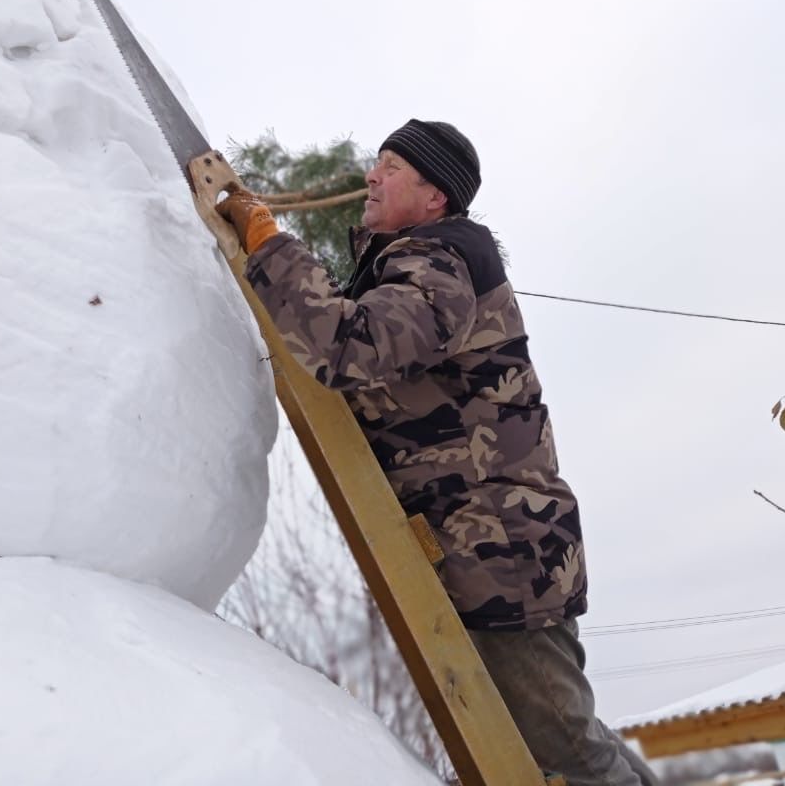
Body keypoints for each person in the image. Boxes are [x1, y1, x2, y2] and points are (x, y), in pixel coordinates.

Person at [218, 119, 658, 786]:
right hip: (493, 547)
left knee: (566, 754)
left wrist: (269, 246)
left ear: (435, 198)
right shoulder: (413, 263)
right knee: (570, 743)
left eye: (391, 167)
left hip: (503, 553)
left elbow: (352, 348)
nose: (371, 175)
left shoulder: (440, 262)